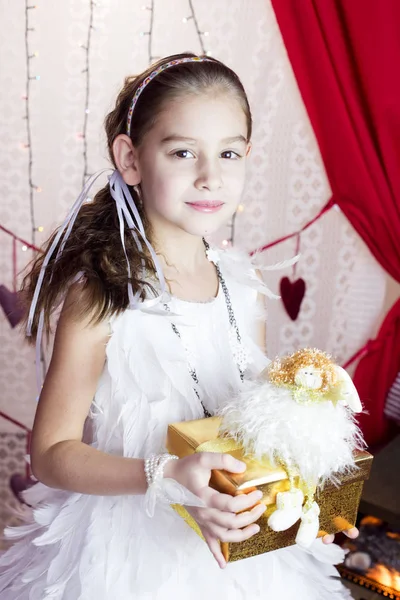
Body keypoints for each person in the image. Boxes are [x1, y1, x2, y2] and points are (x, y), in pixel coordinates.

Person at [0, 52, 357, 599]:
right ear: (131, 158)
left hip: (234, 544)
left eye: (229, 153)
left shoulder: (243, 284)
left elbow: (244, 422)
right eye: (183, 152)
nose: (210, 176)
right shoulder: (103, 296)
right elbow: (51, 454)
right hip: (133, 554)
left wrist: (304, 485)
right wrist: (165, 474)